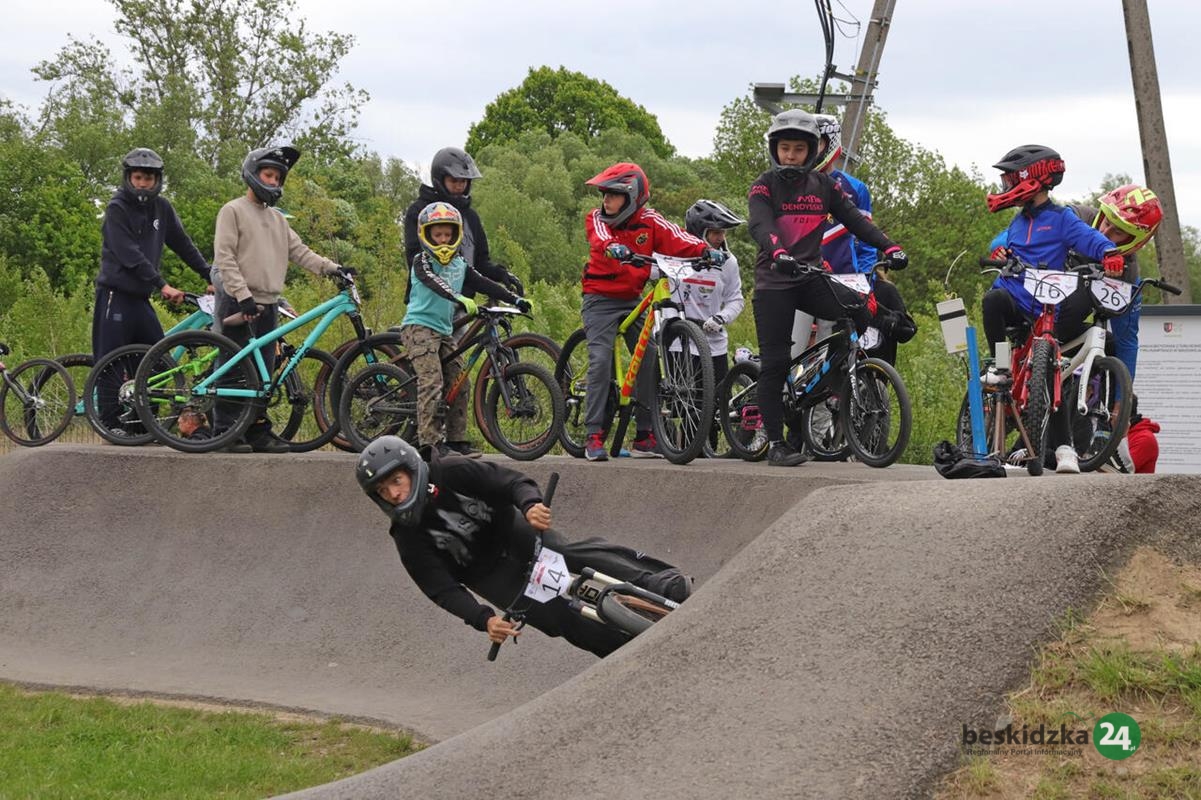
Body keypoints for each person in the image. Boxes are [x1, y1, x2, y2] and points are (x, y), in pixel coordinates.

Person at [355, 435, 692, 657]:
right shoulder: (406, 536)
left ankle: (659, 583)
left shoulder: (453, 471)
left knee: (569, 555)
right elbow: (441, 589)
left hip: (513, 533)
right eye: (383, 491)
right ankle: (625, 654)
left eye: (396, 481)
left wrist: (530, 504)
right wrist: (484, 619)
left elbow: (511, 482)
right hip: (492, 577)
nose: (394, 494)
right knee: (557, 618)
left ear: (412, 468)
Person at [747, 109, 909, 467]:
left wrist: (890, 247)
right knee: (775, 362)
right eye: (785, 149)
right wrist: (778, 252)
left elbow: (855, 221)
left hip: (810, 278)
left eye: (798, 149)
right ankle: (776, 444)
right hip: (775, 282)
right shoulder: (764, 185)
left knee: (859, 310)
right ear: (775, 150)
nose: (791, 156)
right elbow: (761, 225)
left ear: (812, 151)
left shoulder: (824, 186)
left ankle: (829, 379)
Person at [981, 144, 1126, 474]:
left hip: (1046, 305)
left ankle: (1064, 449)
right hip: (1015, 297)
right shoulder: (1018, 222)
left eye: (1010, 180)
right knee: (992, 301)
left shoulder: (1061, 219)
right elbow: (1007, 248)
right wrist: (1002, 252)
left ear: (1031, 178)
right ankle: (1001, 367)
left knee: (1050, 372)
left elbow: (1090, 238)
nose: (1005, 187)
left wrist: (1109, 253)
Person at [581, 162, 726, 461]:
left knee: (649, 358)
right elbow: (600, 236)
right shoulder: (597, 219)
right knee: (600, 361)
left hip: (631, 299)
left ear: (632, 197)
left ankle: (645, 435)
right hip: (599, 300)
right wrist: (612, 247)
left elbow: (679, 238)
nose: (606, 201)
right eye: (604, 195)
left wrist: (704, 250)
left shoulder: (651, 221)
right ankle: (593, 434)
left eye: (613, 195)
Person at [211, 144, 345, 453]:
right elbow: (225, 257)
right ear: (253, 174)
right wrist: (242, 295)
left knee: (263, 372)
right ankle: (225, 431)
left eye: (277, 177)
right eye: (268, 175)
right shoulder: (232, 210)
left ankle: (257, 432)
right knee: (234, 368)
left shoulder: (278, 219)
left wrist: (333, 269)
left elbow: (301, 252)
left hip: (269, 304)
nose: (273, 182)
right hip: (238, 301)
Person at [93, 148, 213, 434]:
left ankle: (143, 425)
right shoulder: (117, 207)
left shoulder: (162, 208)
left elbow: (183, 244)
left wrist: (210, 275)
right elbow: (129, 255)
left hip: (140, 299)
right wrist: (162, 285)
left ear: (157, 180)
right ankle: (110, 426)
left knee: (156, 361)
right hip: (115, 295)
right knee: (111, 363)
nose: (143, 184)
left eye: (148, 179)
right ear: (128, 178)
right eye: (138, 178)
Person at [401, 201, 528, 461]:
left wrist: (514, 299)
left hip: (444, 330)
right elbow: (434, 283)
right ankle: (430, 444)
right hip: (419, 327)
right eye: (438, 234)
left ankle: (456, 440)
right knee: (432, 381)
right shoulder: (421, 261)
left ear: (456, 235)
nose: (443, 240)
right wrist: (458, 297)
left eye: (448, 235)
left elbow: (483, 282)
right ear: (426, 235)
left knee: (460, 381)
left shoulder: (459, 263)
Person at [402, 147, 525, 304]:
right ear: (440, 179)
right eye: (454, 181)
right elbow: (416, 260)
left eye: (463, 181)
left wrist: (501, 274)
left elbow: (480, 263)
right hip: (427, 302)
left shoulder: (470, 217)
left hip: (464, 303)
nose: (459, 186)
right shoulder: (420, 212)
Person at [681, 198, 746, 391]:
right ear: (699, 232)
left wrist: (721, 317)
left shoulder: (728, 262)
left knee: (718, 400)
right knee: (687, 400)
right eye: (716, 232)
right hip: (680, 341)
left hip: (713, 341)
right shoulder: (676, 255)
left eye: (723, 232)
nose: (721, 237)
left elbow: (736, 299)